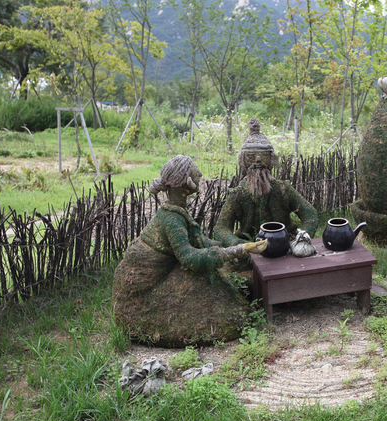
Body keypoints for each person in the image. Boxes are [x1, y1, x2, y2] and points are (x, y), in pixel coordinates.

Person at [113, 155, 267, 347]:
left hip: (156, 274)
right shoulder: (172, 219)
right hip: (142, 288)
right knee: (204, 279)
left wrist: (228, 249)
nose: (200, 174)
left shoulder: (176, 211)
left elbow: (198, 240)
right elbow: (190, 258)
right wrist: (235, 251)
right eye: (196, 172)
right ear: (186, 183)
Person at [213, 118, 319, 247]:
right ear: (242, 161)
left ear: (271, 159)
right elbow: (221, 228)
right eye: (251, 156)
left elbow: (309, 214)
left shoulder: (283, 190)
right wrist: (238, 244)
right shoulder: (237, 195)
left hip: (285, 243)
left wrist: (303, 236)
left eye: (263, 156)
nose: (258, 160)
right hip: (249, 245)